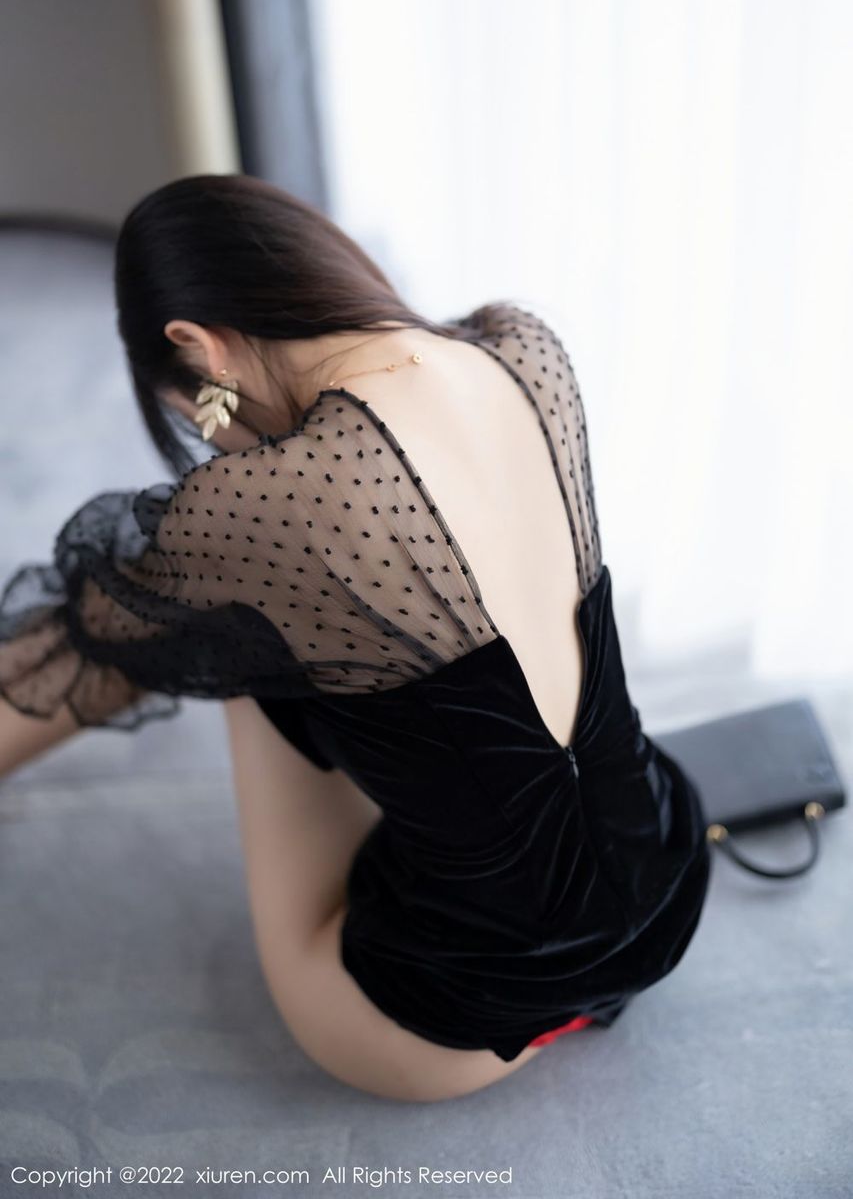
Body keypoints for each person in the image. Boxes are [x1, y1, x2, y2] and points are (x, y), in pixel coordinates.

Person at [0, 173, 711, 1103]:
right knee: (270, 614)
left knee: (208, 628)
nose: (219, 443)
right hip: (666, 885)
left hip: (440, 1027)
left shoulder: (273, 501)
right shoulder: (520, 349)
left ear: (197, 346)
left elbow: (95, 629)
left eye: (204, 417)